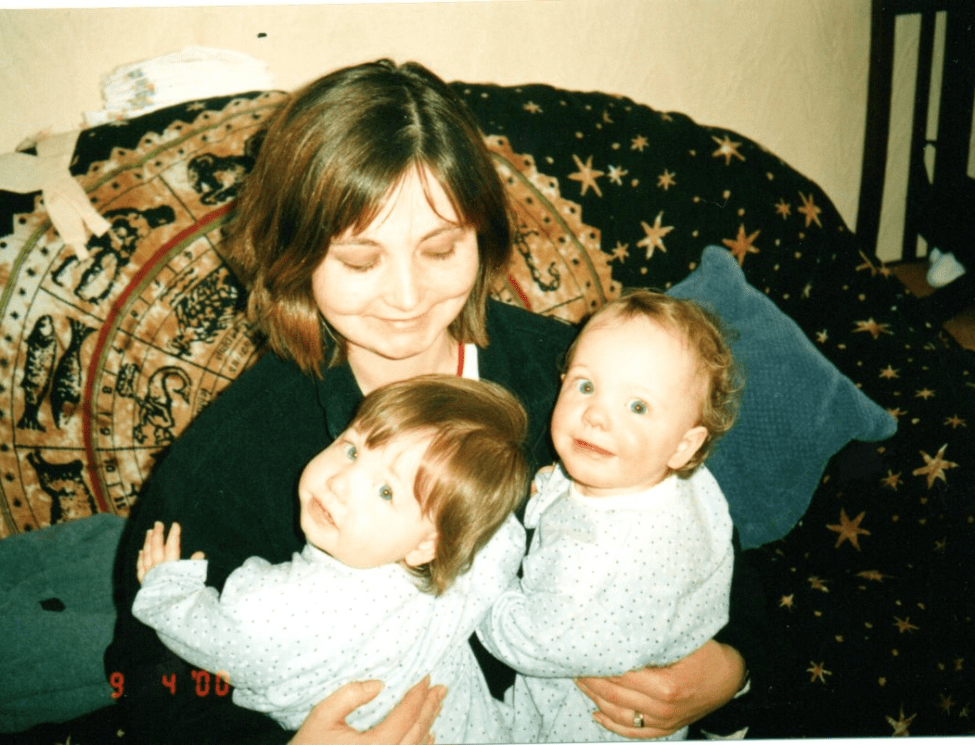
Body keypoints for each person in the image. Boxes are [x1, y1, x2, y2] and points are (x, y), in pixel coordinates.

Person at [106, 58, 769, 745]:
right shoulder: (237, 451)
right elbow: (146, 679)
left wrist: (732, 671)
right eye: (361, 261)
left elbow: (701, 537)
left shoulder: (573, 379)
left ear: (481, 239)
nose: (406, 296)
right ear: (294, 255)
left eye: (440, 249)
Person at [132, 376, 529, 744]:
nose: (339, 483)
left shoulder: (279, 607)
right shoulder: (456, 584)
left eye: (385, 492)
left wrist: (167, 590)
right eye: (352, 450)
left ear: (427, 546)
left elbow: (215, 638)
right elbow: (501, 547)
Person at [477, 291, 742, 742]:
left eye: (637, 407)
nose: (597, 415)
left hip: (583, 723)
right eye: (585, 386)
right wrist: (554, 489)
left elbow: (527, 642)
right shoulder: (686, 482)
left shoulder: (594, 558)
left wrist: (481, 572)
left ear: (684, 445)